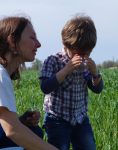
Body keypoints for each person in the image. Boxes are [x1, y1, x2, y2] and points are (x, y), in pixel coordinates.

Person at [0, 16, 58, 150]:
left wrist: (20, 121)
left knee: (34, 132)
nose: (38, 44)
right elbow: (12, 131)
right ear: (12, 41)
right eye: (32, 38)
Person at [39, 15, 104, 150]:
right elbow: (45, 87)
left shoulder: (85, 64)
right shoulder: (53, 60)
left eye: (87, 52)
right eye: (79, 52)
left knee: (88, 146)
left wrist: (95, 74)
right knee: (59, 147)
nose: (82, 56)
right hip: (57, 119)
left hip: (80, 118)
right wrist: (66, 70)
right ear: (66, 44)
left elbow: (97, 89)